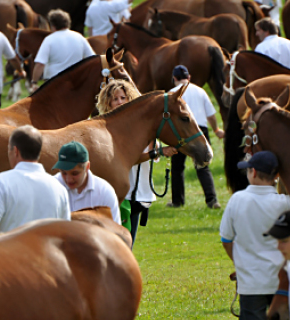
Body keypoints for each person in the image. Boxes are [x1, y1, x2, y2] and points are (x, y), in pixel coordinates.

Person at [220, 151, 290, 320]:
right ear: (276, 177)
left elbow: (226, 239)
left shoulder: (237, 200)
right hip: (281, 281)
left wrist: (239, 262)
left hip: (250, 281)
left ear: (252, 172)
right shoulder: (285, 203)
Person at [96, 80, 177, 246]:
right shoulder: (104, 127)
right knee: (115, 243)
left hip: (138, 192)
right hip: (117, 193)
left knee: (128, 241)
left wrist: (151, 134)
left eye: (123, 97)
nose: (119, 102)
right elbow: (129, 158)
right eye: (115, 99)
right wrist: (158, 151)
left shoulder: (140, 126)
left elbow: (152, 153)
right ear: (108, 103)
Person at [0, 125, 70, 237]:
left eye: (9, 149)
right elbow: (65, 234)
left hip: (10, 253)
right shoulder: (60, 189)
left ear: (15, 151)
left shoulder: (1, 182)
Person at [168, 65, 224, 209]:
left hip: (181, 131)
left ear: (174, 79)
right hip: (200, 130)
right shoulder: (200, 91)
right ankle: (212, 200)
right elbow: (211, 114)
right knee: (202, 166)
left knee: (177, 167)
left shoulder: (171, 93)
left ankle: (177, 201)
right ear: (189, 77)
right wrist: (216, 129)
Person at [53, 141, 121, 224]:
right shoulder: (52, 187)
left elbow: (114, 229)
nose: (69, 179)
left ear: (87, 167)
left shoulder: (104, 191)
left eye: (75, 173)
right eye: (63, 173)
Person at [31, 9, 94, 89]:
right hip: (76, 81)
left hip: (54, 82)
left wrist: (34, 81)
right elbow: (92, 58)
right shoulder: (79, 37)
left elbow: (40, 64)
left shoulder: (49, 39)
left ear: (53, 26)